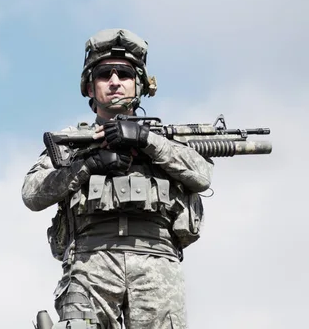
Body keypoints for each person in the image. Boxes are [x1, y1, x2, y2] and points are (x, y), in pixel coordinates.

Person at [22, 29, 214, 329]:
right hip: (90, 260)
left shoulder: (165, 139)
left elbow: (201, 175)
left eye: (123, 74)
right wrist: (88, 164)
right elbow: (32, 193)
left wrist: (147, 140)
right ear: (89, 87)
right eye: (104, 75)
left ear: (139, 85)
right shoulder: (74, 142)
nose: (114, 82)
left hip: (157, 261)